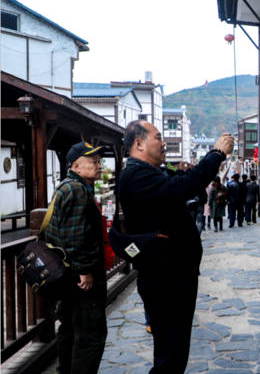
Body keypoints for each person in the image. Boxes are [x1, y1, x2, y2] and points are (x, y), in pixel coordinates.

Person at [117, 121, 233, 373]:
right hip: (165, 279)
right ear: (138, 144)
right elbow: (184, 185)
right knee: (169, 357)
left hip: (173, 275)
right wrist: (216, 154)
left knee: (174, 353)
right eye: (158, 137)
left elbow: (185, 180)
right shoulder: (135, 176)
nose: (163, 143)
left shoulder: (152, 172)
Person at [44, 142, 108, 374]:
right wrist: (85, 270)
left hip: (67, 277)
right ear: (76, 165)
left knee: (69, 331)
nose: (99, 165)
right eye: (93, 161)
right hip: (81, 279)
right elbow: (75, 236)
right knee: (90, 337)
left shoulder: (67, 187)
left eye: (99, 161)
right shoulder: (77, 191)